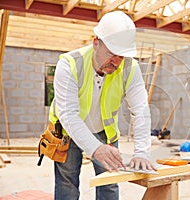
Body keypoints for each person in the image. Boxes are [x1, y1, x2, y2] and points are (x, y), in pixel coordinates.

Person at [49, 11, 156, 200]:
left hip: (104, 132)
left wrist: (141, 152)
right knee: (67, 184)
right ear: (96, 42)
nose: (116, 61)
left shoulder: (130, 68)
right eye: (112, 53)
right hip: (68, 131)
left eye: (121, 56)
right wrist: (95, 149)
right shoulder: (69, 65)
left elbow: (140, 110)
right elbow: (68, 114)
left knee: (109, 183)